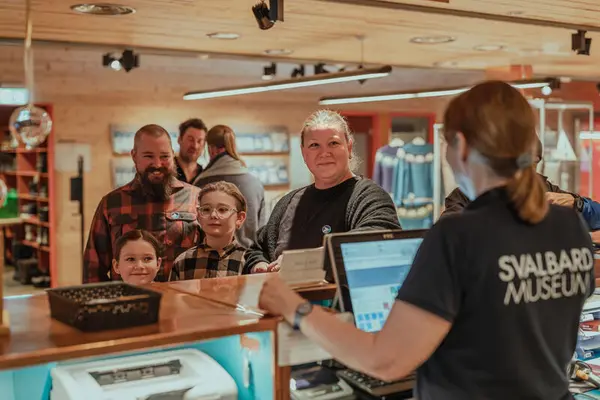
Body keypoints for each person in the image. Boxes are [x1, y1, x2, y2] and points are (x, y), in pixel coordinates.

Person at [257, 81, 595, 400]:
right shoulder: (569, 225)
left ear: (460, 146)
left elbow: (386, 361)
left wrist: (293, 307)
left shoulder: (458, 236)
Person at [244, 110, 401, 274]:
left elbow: (379, 239)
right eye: (314, 145)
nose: (324, 153)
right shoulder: (288, 202)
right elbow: (256, 249)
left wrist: (302, 261)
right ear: (304, 153)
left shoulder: (369, 196)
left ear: (349, 146)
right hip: (284, 298)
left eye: (333, 143)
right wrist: (259, 265)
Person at [83, 124, 201, 283]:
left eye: (164, 156)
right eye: (148, 156)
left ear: (173, 155)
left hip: (185, 302)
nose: (158, 164)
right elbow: (93, 269)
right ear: (134, 156)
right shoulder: (112, 204)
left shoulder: (196, 199)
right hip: (129, 302)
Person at [444, 137, 600, 230]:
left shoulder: (545, 188)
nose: (528, 174)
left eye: (534, 164)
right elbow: (451, 234)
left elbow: (595, 216)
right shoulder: (465, 196)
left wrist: (577, 204)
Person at [193, 125, 266, 248]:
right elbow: (262, 229)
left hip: (211, 259)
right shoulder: (255, 183)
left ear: (211, 149)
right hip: (250, 259)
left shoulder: (201, 183)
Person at [170, 181, 247, 280]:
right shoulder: (183, 261)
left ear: (239, 218)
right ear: (199, 216)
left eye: (222, 209)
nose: (213, 215)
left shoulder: (248, 261)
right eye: (206, 209)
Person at [176, 118, 207, 183]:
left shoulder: (205, 176)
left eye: (199, 141)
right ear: (179, 140)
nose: (195, 146)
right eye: (190, 139)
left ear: (204, 145)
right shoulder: (168, 171)